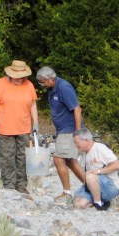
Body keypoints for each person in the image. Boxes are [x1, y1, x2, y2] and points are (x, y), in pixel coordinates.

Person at [0, 60, 39, 193]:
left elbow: (33, 104)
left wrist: (36, 123)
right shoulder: (0, 83)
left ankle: (21, 186)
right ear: (10, 74)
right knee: (7, 159)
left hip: (24, 128)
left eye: (21, 77)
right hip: (3, 129)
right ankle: (9, 187)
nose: (19, 79)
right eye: (16, 77)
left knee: (23, 158)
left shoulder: (29, 85)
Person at [35, 66, 86, 200]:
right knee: (71, 161)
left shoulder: (64, 88)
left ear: (51, 78)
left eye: (43, 82)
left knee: (58, 159)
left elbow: (77, 109)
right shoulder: (52, 89)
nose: (42, 85)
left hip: (69, 130)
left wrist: (77, 132)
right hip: (62, 130)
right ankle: (91, 187)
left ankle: (67, 193)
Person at [72, 128, 119, 211]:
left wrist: (98, 171)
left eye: (77, 142)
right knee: (79, 204)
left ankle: (98, 204)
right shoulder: (84, 155)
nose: (75, 145)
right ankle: (101, 202)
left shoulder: (100, 148)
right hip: (94, 187)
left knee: (90, 176)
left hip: (110, 186)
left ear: (86, 140)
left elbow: (118, 165)